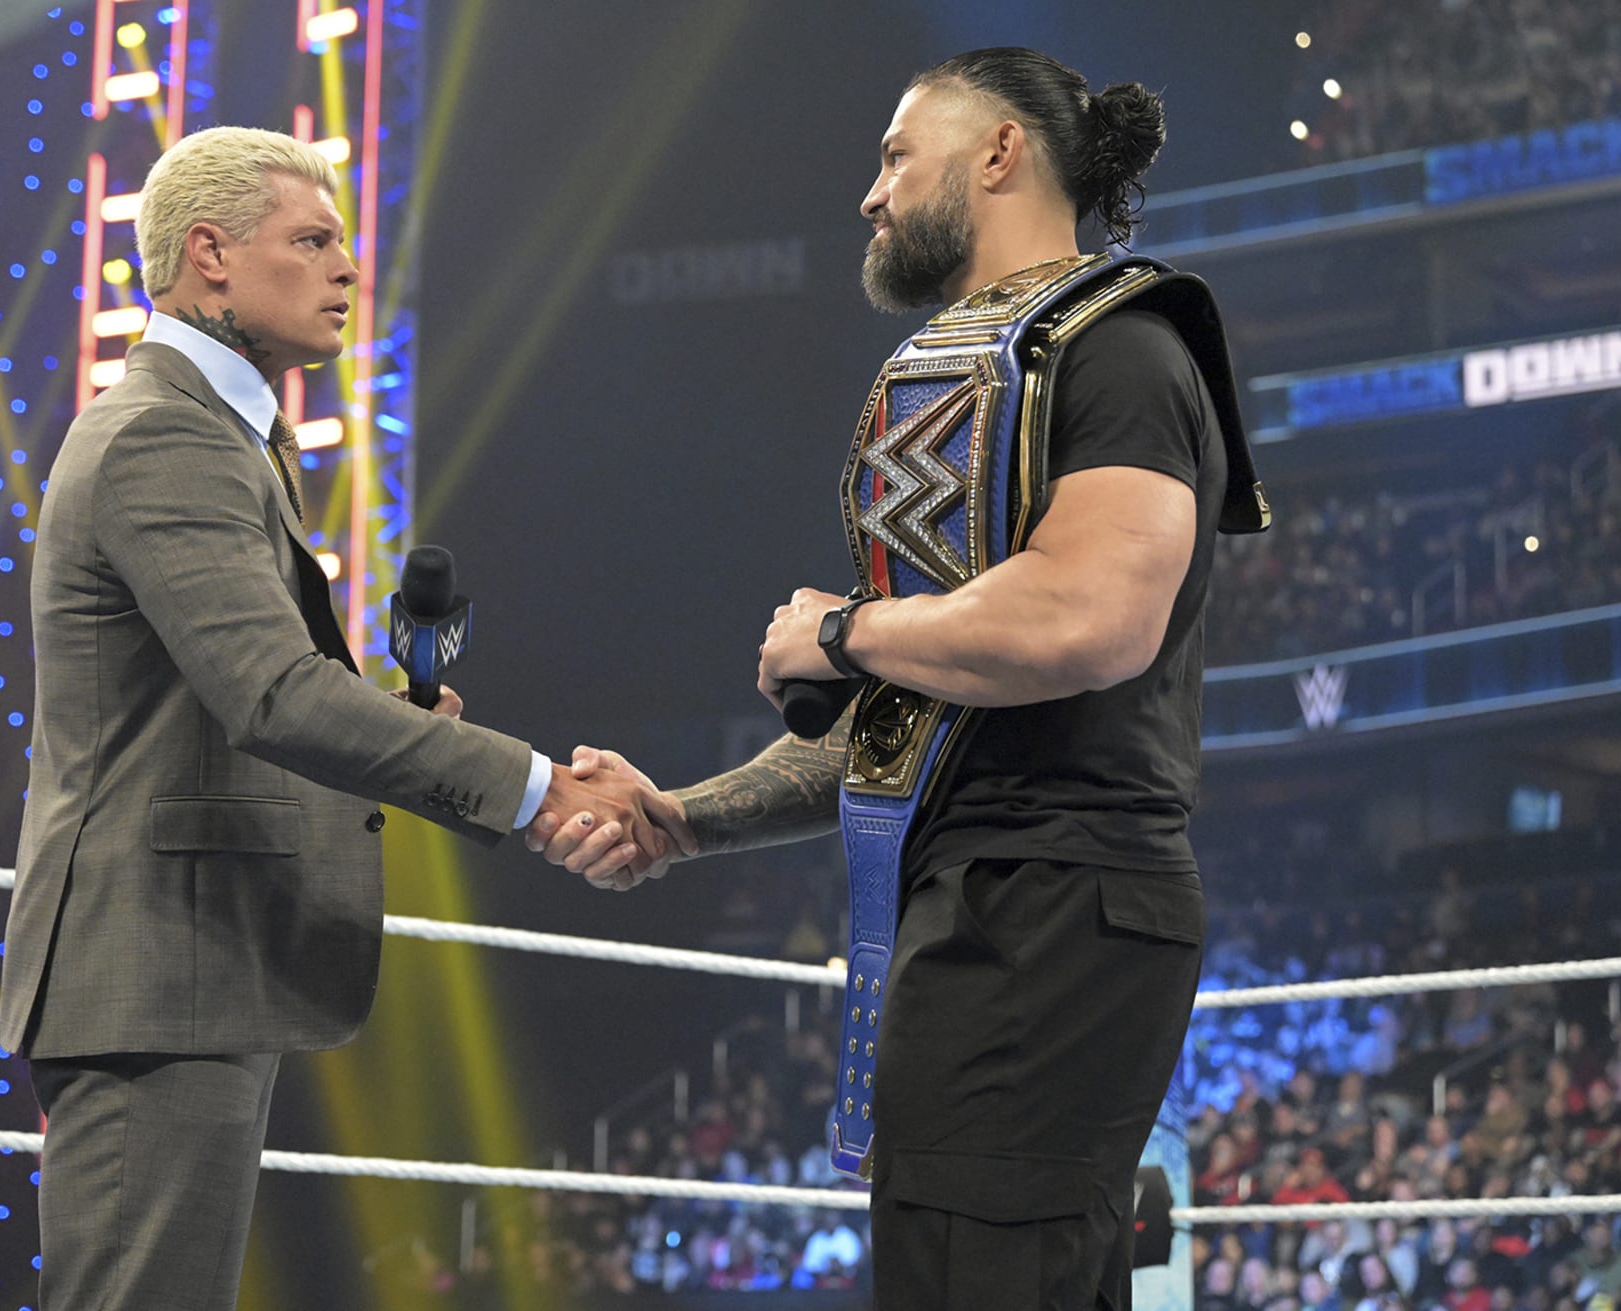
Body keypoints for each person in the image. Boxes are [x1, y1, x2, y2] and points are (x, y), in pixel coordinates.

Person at [529, 47, 1269, 1308]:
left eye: (893, 155)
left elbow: (1093, 618)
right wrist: (686, 818)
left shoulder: (1125, 351)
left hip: (1062, 896)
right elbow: (905, 723)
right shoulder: (976, 373)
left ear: (998, 155)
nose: (871, 197)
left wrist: (843, 632)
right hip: (978, 902)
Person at [0, 126, 690, 1310]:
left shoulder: (226, 433)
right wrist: (532, 788)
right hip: (158, 963)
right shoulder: (167, 432)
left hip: (188, 965)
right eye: (311, 241)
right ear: (208, 254)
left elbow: (221, 688)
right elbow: (271, 694)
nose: (345, 271)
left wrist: (380, 713)